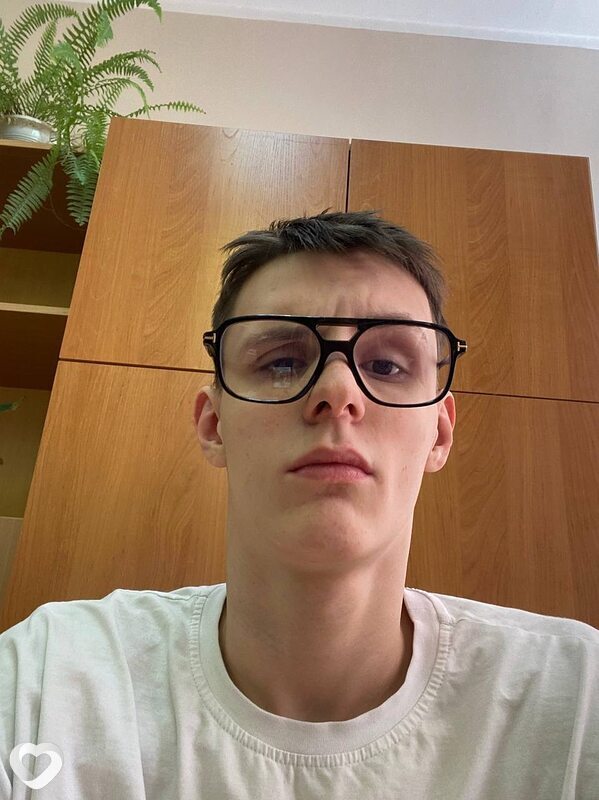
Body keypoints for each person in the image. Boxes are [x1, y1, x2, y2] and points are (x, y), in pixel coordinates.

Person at [0, 210, 597, 799]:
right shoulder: (49, 679)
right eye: (282, 361)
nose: (337, 391)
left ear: (439, 433)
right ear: (213, 425)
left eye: (387, 365)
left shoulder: (576, 699)